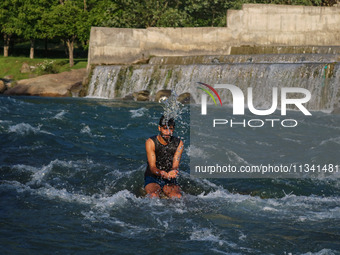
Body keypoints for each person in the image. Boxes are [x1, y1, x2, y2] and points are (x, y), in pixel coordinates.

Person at [144, 115, 184, 198]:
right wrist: (161, 173)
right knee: (154, 195)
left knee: (177, 196)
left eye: (171, 129)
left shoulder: (179, 143)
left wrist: (174, 171)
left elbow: (175, 165)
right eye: (165, 128)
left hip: (169, 177)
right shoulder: (151, 142)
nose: (168, 132)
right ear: (159, 128)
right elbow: (152, 167)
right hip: (153, 176)